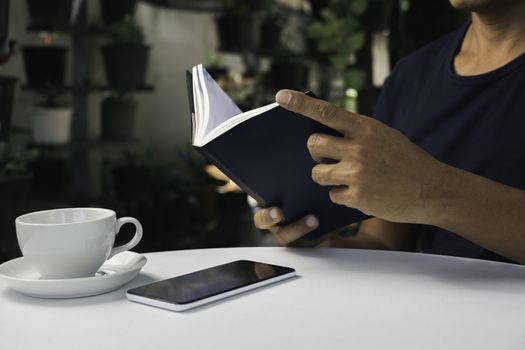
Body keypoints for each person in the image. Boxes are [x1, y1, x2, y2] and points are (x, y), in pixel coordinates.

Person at [253, 0, 525, 264]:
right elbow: (385, 244)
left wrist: (433, 191)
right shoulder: (412, 76)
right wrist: (323, 245)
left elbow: (427, 191)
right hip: (434, 307)